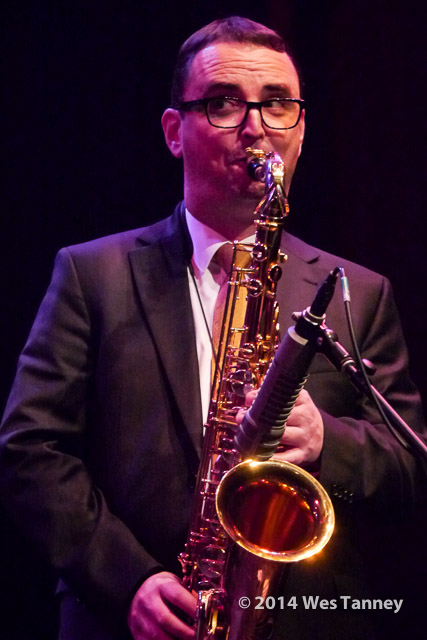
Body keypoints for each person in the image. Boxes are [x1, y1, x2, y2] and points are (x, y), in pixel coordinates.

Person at [0, 16, 426, 640]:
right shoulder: (92, 274)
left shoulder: (359, 293)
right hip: (127, 619)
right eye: (225, 103)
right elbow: (29, 451)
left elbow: (411, 467)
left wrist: (324, 442)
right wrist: (128, 582)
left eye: (277, 104)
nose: (257, 127)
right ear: (174, 131)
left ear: (301, 130)